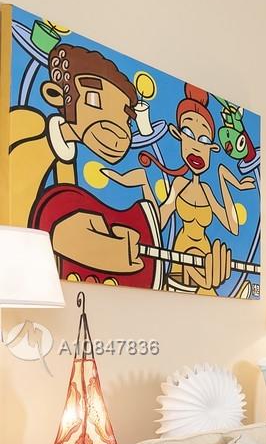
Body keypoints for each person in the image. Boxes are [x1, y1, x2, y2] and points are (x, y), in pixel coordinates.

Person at [8, 43, 155, 281]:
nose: (120, 132)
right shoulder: (29, 126)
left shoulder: (67, 164)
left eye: (126, 119)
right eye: (94, 99)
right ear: (55, 94)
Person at [104, 84, 253, 295]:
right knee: (200, 274)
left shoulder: (207, 191)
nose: (196, 146)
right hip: (182, 257)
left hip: (206, 258)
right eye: (188, 134)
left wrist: (224, 179)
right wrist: (145, 184)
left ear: (212, 148)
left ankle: (215, 285)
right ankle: (215, 286)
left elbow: (233, 226)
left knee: (208, 274)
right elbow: (159, 221)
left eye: (204, 140)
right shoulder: (179, 185)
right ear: (178, 134)